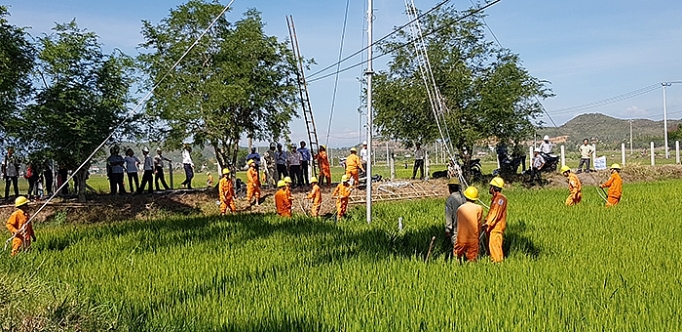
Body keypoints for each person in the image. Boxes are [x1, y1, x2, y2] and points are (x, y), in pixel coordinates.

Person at [454, 186, 483, 262]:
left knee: (458, 257)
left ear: (465, 196)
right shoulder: (479, 208)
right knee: (472, 259)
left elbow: (457, 223)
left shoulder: (460, 209)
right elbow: (479, 224)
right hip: (473, 238)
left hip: (461, 238)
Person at [484, 177, 507, 263]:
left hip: (496, 228)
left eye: (491, 186)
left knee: (495, 248)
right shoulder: (496, 199)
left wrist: (487, 224)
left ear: (493, 188)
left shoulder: (500, 199)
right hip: (492, 228)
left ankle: (498, 266)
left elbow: (495, 213)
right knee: (491, 248)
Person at [445, 177, 466, 257]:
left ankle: (458, 265)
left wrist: (448, 229)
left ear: (450, 188)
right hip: (467, 228)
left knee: (457, 251)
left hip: (456, 229)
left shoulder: (450, 200)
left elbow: (448, 216)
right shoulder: (464, 198)